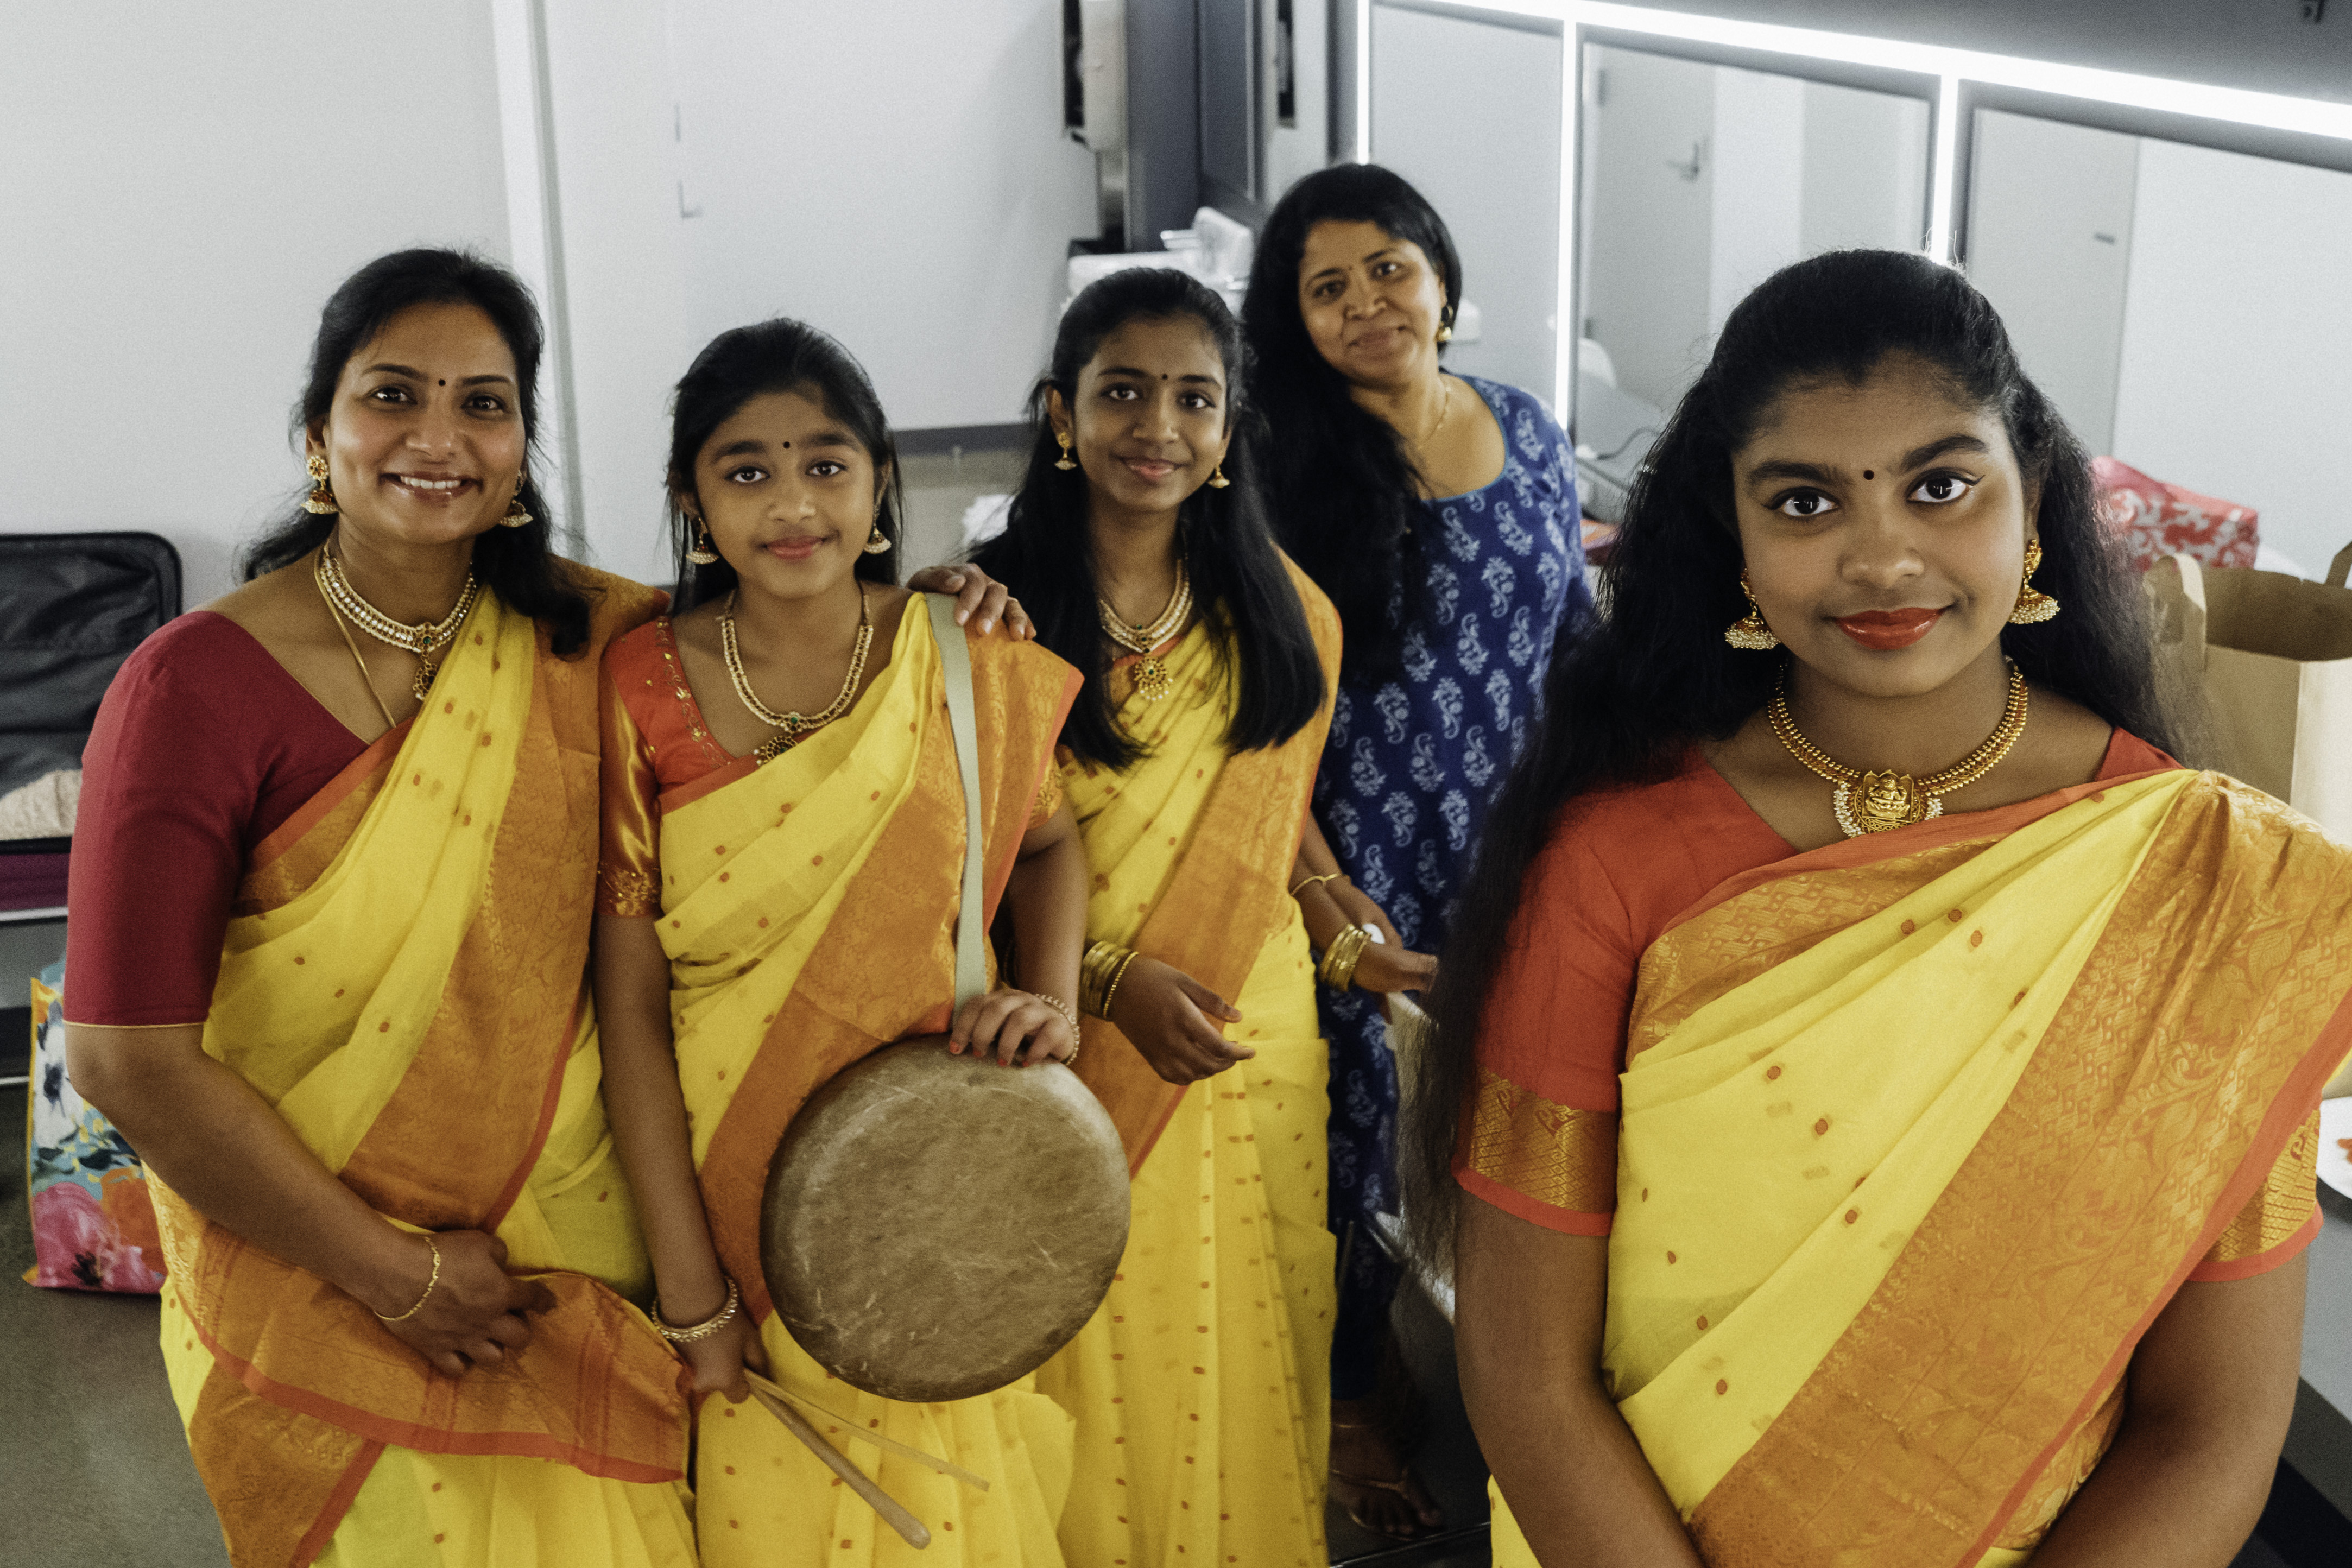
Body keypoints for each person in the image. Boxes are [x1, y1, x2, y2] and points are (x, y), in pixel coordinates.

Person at [1416, 249, 2351, 1567]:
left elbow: (2214, 1427)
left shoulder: (2207, 882)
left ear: (2031, 506)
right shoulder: (1613, 862)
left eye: (1942, 485)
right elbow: (1527, 1378)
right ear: (1732, 539)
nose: (1882, 554)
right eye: (1804, 500)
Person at [63, 249, 699, 1566]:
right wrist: (392, 1276)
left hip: (568, 1262)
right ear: (320, 434)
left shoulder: (600, 642)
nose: (439, 437)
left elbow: (800, 692)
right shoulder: (192, 687)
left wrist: (927, 619)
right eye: (393, 394)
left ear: (523, 442)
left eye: (485, 403)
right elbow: (126, 1053)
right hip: (318, 1273)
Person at [591, 317, 1091, 1566]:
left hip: (933, 1164)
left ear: (878, 485)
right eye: (746, 471)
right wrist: (690, 1288)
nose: (792, 503)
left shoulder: (964, 654)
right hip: (720, 1155)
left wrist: (1055, 999)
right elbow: (631, 1002)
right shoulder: (637, 683)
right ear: (693, 504)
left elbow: (1051, 843)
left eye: (825, 463)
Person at [972, 268, 1343, 1566]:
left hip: (1257, 1030)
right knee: (1099, 1342)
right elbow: (969, 873)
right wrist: (1109, 979)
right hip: (1071, 1030)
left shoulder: (1295, 618)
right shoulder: (988, 613)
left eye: (1196, 397)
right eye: (1122, 392)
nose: (1159, 427)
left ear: (1231, 429)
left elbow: (1275, 815)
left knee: (1256, 1329)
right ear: (1061, 415)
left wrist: (1339, 910)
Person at [1241, 161, 1592, 1534]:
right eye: (1327, 289)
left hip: (1517, 841)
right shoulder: (1280, 471)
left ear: (1440, 276)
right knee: (1353, 1143)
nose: (1367, 303)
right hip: (1356, 859)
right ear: (1298, 321)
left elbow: (1575, 642)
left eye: (1388, 267)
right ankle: (1343, 1394)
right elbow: (1258, 722)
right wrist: (1326, 895)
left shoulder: (1527, 424)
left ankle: (1507, 1382)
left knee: (1505, 1121)